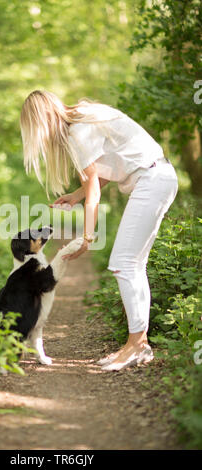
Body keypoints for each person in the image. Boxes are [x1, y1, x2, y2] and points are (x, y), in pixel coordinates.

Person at [20, 90, 178, 371]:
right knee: (132, 264)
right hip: (154, 177)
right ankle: (137, 344)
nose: (38, 137)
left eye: (34, 128)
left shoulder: (79, 131)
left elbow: (94, 184)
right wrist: (76, 196)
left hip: (152, 179)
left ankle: (137, 345)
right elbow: (102, 175)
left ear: (42, 119)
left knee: (123, 263)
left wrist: (87, 236)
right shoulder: (82, 120)